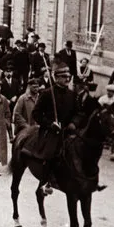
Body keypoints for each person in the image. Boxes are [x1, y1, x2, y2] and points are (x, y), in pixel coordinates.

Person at [28, 62, 77, 195]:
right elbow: (36, 114)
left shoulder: (72, 94)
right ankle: (46, 182)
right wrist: (50, 124)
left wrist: (73, 123)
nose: (67, 79)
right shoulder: (47, 93)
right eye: (64, 76)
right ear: (56, 77)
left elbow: (78, 113)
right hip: (51, 131)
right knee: (51, 152)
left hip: (67, 130)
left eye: (69, 77)